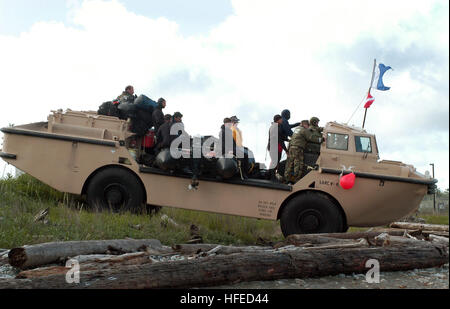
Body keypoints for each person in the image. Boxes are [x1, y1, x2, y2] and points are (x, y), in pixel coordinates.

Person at [284, 117, 324, 184]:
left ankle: (287, 178)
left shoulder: (297, 129)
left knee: (289, 164)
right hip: (298, 149)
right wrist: (321, 140)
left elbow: (291, 140)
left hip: (291, 148)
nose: (308, 127)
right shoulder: (304, 130)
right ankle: (295, 180)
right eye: (307, 125)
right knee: (298, 164)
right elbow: (311, 138)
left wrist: (287, 150)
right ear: (305, 124)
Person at [267, 114, 287, 181]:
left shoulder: (274, 126)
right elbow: (280, 140)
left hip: (273, 147)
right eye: (281, 119)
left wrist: (287, 139)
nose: (282, 120)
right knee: (275, 162)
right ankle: (272, 178)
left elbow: (281, 137)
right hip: (275, 148)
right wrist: (286, 150)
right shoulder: (276, 128)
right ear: (278, 120)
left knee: (274, 162)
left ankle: (269, 176)